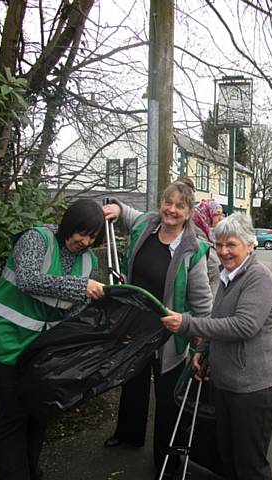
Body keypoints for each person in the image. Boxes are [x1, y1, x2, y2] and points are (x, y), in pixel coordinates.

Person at [0, 199, 106, 480]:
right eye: (82, 232)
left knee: (38, 414)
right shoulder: (37, 239)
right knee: (14, 416)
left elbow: (74, 312)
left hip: (35, 351)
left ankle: (32, 472)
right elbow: (27, 279)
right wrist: (80, 287)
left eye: (93, 237)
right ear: (68, 225)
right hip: (1, 342)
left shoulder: (88, 261)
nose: (85, 241)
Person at [161, 213, 272, 480]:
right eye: (218, 244)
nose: (223, 251)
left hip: (255, 388)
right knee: (228, 456)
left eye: (231, 244)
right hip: (227, 382)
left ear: (250, 244)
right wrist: (204, 350)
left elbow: (243, 326)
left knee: (250, 464)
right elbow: (218, 317)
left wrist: (187, 324)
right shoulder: (228, 274)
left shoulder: (258, 278)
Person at [101, 181, 214, 478]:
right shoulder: (148, 224)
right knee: (132, 381)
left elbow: (202, 302)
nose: (171, 210)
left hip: (168, 334)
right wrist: (116, 207)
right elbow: (128, 214)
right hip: (134, 326)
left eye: (180, 206)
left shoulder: (193, 249)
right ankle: (128, 434)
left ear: (189, 212)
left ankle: (166, 459)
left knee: (167, 399)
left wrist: (203, 344)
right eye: (168, 202)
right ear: (161, 203)